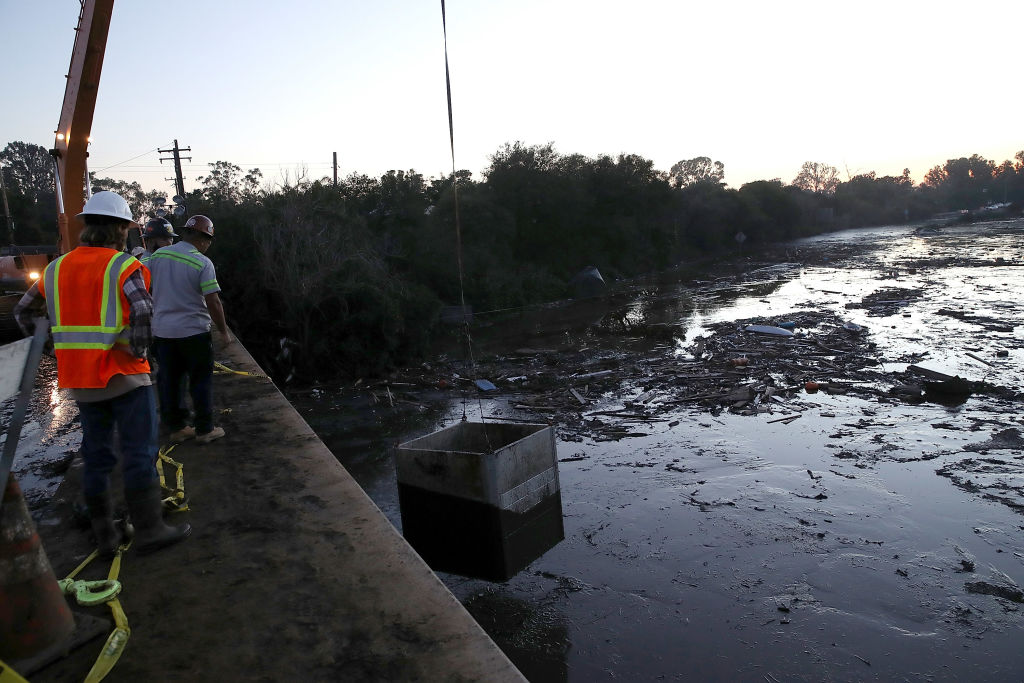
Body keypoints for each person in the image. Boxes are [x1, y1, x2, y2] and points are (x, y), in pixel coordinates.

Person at [14, 191, 191, 557]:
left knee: (96, 455)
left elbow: (24, 312)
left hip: (81, 381)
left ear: (88, 227)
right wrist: (139, 350)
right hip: (125, 376)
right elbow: (142, 309)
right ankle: (149, 530)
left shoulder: (56, 268)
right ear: (121, 229)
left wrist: (55, 348)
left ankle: (106, 537)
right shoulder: (122, 266)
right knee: (139, 452)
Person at [148, 214, 230, 445]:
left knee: (171, 381)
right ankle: (205, 429)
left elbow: (140, 281)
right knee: (200, 381)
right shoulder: (202, 263)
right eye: (209, 241)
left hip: (163, 333)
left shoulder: (158, 256)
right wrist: (223, 331)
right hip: (194, 332)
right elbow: (213, 301)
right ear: (204, 240)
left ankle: (177, 428)